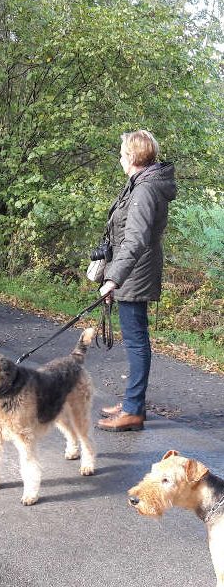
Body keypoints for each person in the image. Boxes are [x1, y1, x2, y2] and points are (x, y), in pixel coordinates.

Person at [97, 130, 177, 432]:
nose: (119, 157)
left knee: (136, 341)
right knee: (135, 339)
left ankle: (132, 410)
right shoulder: (140, 184)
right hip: (132, 269)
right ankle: (133, 402)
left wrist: (113, 279)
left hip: (135, 272)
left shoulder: (144, 190)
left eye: (121, 152)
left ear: (132, 156)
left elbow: (135, 239)